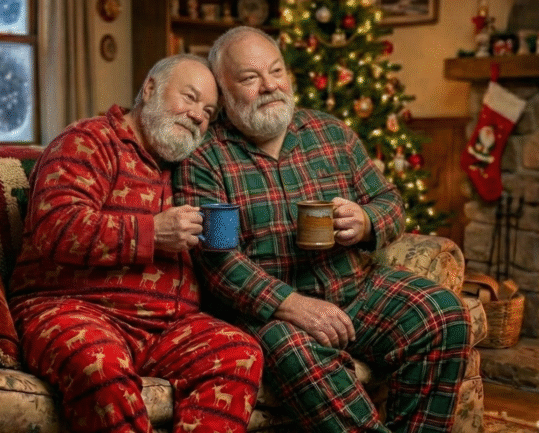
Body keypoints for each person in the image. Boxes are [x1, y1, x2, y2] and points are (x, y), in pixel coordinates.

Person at [172, 27, 472, 433]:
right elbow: (219, 258)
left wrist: (366, 221)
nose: (269, 86)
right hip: (270, 312)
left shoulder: (330, 134)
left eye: (276, 71)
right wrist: (292, 304)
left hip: (356, 289)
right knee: (292, 351)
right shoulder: (206, 158)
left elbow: (389, 202)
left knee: (445, 314)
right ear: (223, 91)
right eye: (250, 78)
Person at [8, 54, 263, 433]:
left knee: (239, 353)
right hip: (72, 309)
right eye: (189, 98)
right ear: (149, 89)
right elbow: (55, 226)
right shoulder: (88, 141)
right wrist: (152, 233)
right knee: (99, 365)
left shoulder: (191, 166)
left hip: (168, 328)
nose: (198, 116)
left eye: (209, 112)